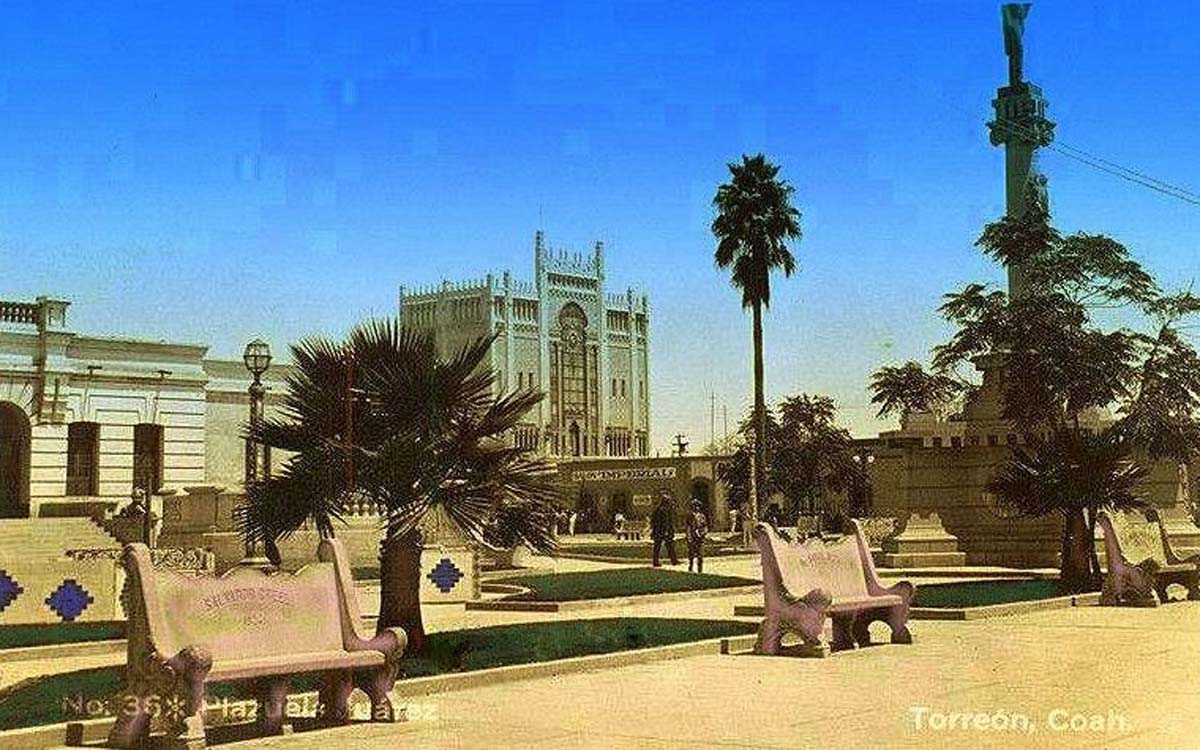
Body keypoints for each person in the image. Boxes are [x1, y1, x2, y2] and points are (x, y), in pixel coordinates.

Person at [650, 491, 678, 567]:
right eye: (668, 501)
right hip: (662, 531)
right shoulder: (663, 510)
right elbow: (665, 522)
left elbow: (653, 521)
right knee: (665, 546)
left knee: (660, 546)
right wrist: (666, 531)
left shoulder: (659, 510)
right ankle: (673, 560)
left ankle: (672, 560)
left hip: (659, 531)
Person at [686, 498, 709, 573]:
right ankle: (691, 567)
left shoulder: (702, 516)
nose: (696, 508)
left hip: (700, 537)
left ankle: (700, 569)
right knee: (691, 554)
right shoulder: (690, 515)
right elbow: (688, 527)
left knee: (700, 554)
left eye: (697, 506)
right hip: (693, 536)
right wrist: (689, 536)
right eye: (694, 506)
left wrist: (703, 533)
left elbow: (705, 526)